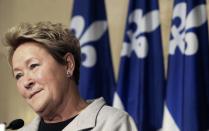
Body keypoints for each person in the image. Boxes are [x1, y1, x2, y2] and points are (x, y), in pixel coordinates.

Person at [4, 21, 137, 131]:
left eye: (33, 66)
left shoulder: (111, 124)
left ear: (68, 65)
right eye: (18, 75)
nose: (26, 82)